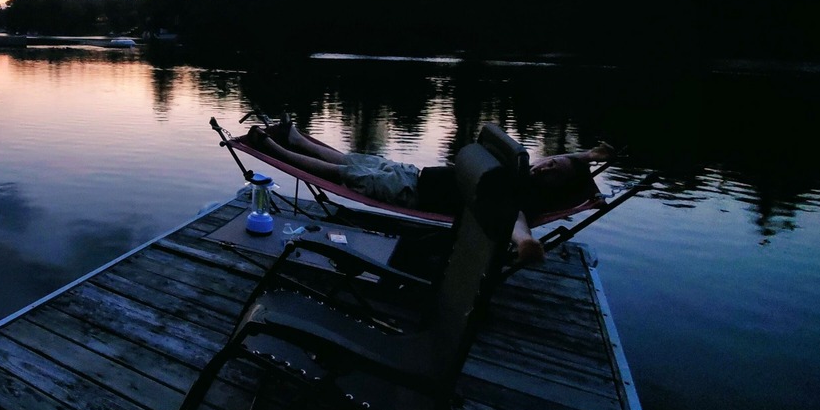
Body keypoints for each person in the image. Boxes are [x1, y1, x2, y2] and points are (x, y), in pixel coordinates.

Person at [244, 120, 614, 263]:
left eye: (553, 171)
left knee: (341, 173)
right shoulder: (523, 169)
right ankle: (294, 139)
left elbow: (514, 219)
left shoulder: (519, 196)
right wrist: (588, 154)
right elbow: (566, 162)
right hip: (415, 174)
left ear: (553, 186)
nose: (547, 165)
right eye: (551, 161)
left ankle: (274, 149)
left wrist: (523, 242)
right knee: (354, 159)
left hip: (410, 192)